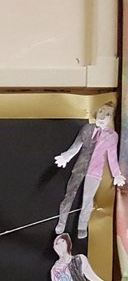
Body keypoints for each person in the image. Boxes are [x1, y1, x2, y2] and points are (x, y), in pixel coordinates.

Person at [54, 101, 126, 239]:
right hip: (80, 167)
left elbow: (112, 156)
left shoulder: (112, 136)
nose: (102, 116)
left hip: (95, 171)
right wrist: (66, 157)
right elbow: (76, 146)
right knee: (69, 194)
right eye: (101, 112)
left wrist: (116, 174)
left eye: (107, 114)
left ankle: (82, 226)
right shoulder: (87, 128)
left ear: (112, 117)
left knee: (87, 199)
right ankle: (61, 222)